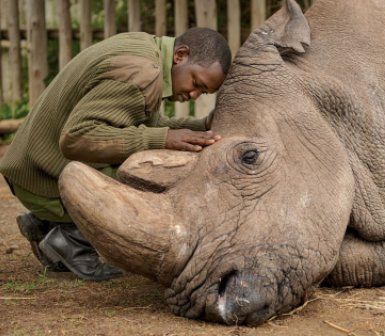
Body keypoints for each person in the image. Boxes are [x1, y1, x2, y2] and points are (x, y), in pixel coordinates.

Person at [0, 28, 232, 281]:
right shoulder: (143, 75)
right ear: (181, 55)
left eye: (203, 92)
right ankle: (70, 237)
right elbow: (77, 138)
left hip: (31, 167)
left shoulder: (146, 51)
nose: (194, 94)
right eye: (196, 83)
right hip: (40, 177)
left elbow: (142, 125)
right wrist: (163, 139)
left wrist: (202, 127)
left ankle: (46, 223)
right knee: (150, 177)